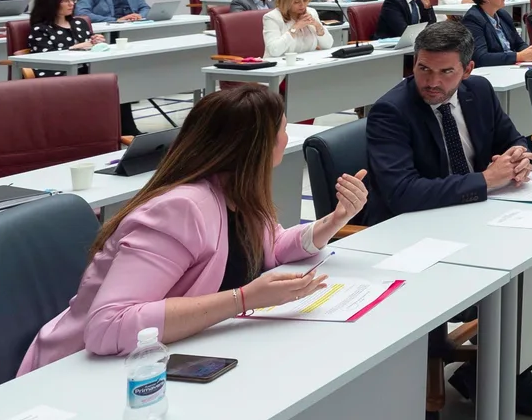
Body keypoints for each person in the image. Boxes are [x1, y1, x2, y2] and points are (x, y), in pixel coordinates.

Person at [19, 83, 369, 373]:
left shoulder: (238, 191)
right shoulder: (181, 208)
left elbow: (272, 247)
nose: (286, 137)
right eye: (282, 129)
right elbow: (109, 326)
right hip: (75, 375)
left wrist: (333, 220)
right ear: (256, 146)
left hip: (157, 359)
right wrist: (244, 299)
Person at [364, 21, 532, 418]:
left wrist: (520, 157)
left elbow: (514, 138)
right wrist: (485, 181)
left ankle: (492, 368)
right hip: (411, 232)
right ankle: (482, 373)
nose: (431, 82)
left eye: (445, 71)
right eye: (423, 69)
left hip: (475, 214)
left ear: (468, 70)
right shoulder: (390, 111)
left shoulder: (479, 92)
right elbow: (402, 192)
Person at [464, 0, 532, 68]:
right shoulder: (473, 19)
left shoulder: (502, 14)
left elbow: (518, 43)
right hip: (493, 71)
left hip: (510, 66)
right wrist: (519, 56)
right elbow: (481, 58)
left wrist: (531, 51)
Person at [26, 0, 104, 73]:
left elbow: (89, 43)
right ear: (51, 4)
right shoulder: (40, 29)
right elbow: (46, 56)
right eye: (66, 1)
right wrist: (76, 47)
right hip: (57, 72)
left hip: (86, 68)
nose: (71, 4)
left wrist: (96, 40)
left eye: (72, 0)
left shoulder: (79, 22)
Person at [264, 0, 333, 57]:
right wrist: (296, 27)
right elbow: (274, 50)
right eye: (296, 2)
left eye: (305, 0)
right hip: (279, 65)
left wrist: (318, 26)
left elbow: (328, 45)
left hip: (306, 63)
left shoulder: (311, 12)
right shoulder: (272, 17)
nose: (302, 5)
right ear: (285, 1)